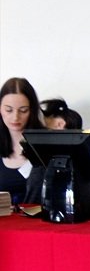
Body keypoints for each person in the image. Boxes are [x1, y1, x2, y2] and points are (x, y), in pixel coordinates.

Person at [0, 78, 46, 207]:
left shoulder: (46, 145)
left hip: (40, 224)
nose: (15, 117)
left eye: (23, 110)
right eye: (9, 110)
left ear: (32, 110)